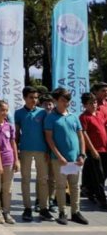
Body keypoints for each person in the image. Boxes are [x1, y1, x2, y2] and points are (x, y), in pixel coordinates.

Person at [44, 88, 88, 225]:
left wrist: (82, 154)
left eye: (67, 100)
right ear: (56, 101)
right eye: (63, 100)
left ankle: (76, 212)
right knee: (61, 186)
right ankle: (62, 212)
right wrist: (58, 156)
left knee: (75, 186)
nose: (66, 103)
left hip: (75, 159)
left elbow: (80, 136)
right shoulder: (51, 117)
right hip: (60, 160)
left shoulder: (74, 117)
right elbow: (49, 139)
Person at [15, 86, 54, 221]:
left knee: (43, 180)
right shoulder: (18, 113)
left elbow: (47, 133)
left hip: (42, 150)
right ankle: (27, 209)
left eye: (36, 97)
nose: (34, 100)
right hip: (25, 150)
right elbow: (16, 134)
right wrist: (16, 152)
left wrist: (49, 150)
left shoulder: (43, 113)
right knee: (25, 180)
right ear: (25, 98)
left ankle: (43, 208)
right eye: (31, 97)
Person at [0, 100, 19, 224]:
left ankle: (7, 212)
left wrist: (16, 160)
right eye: (2, 110)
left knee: (8, 189)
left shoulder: (9, 126)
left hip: (9, 160)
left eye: (6, 110)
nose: (4, 113)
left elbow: (13, 143)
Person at [79, 92, 107, 209]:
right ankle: (103, 201)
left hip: (105, 148)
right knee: (99, 176)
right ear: (85, 105)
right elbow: (84, 134)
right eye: (90, 103)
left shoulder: (100, 114)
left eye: (95, 102)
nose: (94, 105)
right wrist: (92, 149)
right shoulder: (84, 117)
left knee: (103, 174)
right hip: (95, 150)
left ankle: (89, 191)